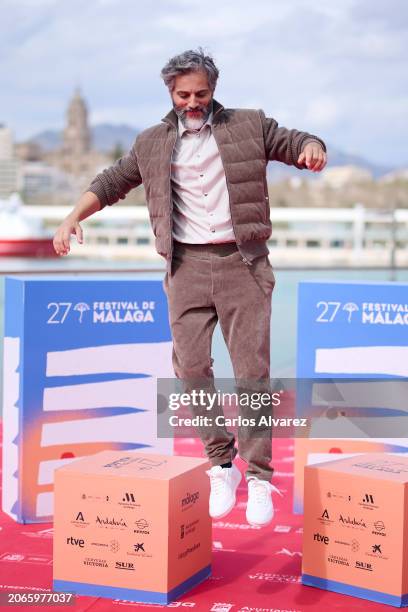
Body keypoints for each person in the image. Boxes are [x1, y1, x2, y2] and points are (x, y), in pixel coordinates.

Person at [53, 48, 327, 527]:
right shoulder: (151, 142)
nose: (193, 102)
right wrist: (73, 215)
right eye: (184, 95)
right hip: (186, 266)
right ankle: (222, 464)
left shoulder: (249, 124)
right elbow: (113, 180)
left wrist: (311, 147)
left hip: (243, 262)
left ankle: (260, 475)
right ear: (170, 93)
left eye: (201, 93)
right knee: (191, 369)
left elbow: (294, 139)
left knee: (252, 373)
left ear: (213, 89)